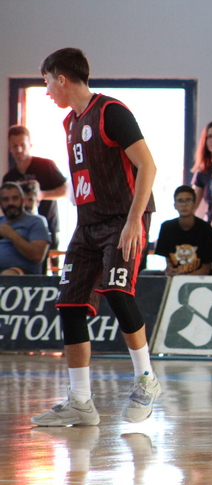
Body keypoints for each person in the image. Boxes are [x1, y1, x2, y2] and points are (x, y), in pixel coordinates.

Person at [32, 47, 160, 426]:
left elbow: (148, 166)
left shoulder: (111, 111)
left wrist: (134, 220)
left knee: (117, 291)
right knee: (70, 305)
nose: (46, 91)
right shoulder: (70, 123)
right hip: (88, 224)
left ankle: (146, 379)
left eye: (47, 82)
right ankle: (81, 402)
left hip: (123, 218)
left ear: (62, 79)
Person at [4, 124, 68, 262]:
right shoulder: (9, 177)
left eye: (22, 145)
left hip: (48, 225)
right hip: (21, 230)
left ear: (30, 144)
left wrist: (41, 195)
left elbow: (66, 190)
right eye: (15, 146)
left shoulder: (46, 166)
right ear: (10, 148)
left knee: (52, 265)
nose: (19, 149)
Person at [154, 185, 212, 276]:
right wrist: (171, 270)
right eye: (180, 201)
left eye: (188, 200)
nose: (184, 204)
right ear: (175, 205)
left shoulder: (206, 229)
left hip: (200, 279)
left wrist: (184, 278)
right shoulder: (166, 227)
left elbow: (206, 268)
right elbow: (168, 262)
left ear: (195, 204)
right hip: (174, 277)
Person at [0, 182, 50, 275]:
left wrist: (11, 234)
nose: (10, 203)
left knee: (8, 275)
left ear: (23, 200)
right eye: (5, 199)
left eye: (15, 198)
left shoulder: (35, 222)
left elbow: (37, 256)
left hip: (23, 274)